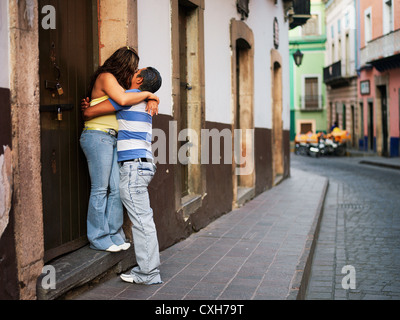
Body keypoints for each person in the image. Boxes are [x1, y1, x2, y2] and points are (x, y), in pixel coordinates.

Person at [82, 67, 163, 285]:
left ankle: (149, 273)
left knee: (141, 221)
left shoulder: (128, 98)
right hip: (144, 164)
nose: (130, 72)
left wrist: (91, 106)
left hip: (133, 167)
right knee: (144, 218)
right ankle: (149, 269)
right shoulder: (141, 101)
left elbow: (89, 113)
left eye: (136, 70)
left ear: (138, 79)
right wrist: (152, 96)